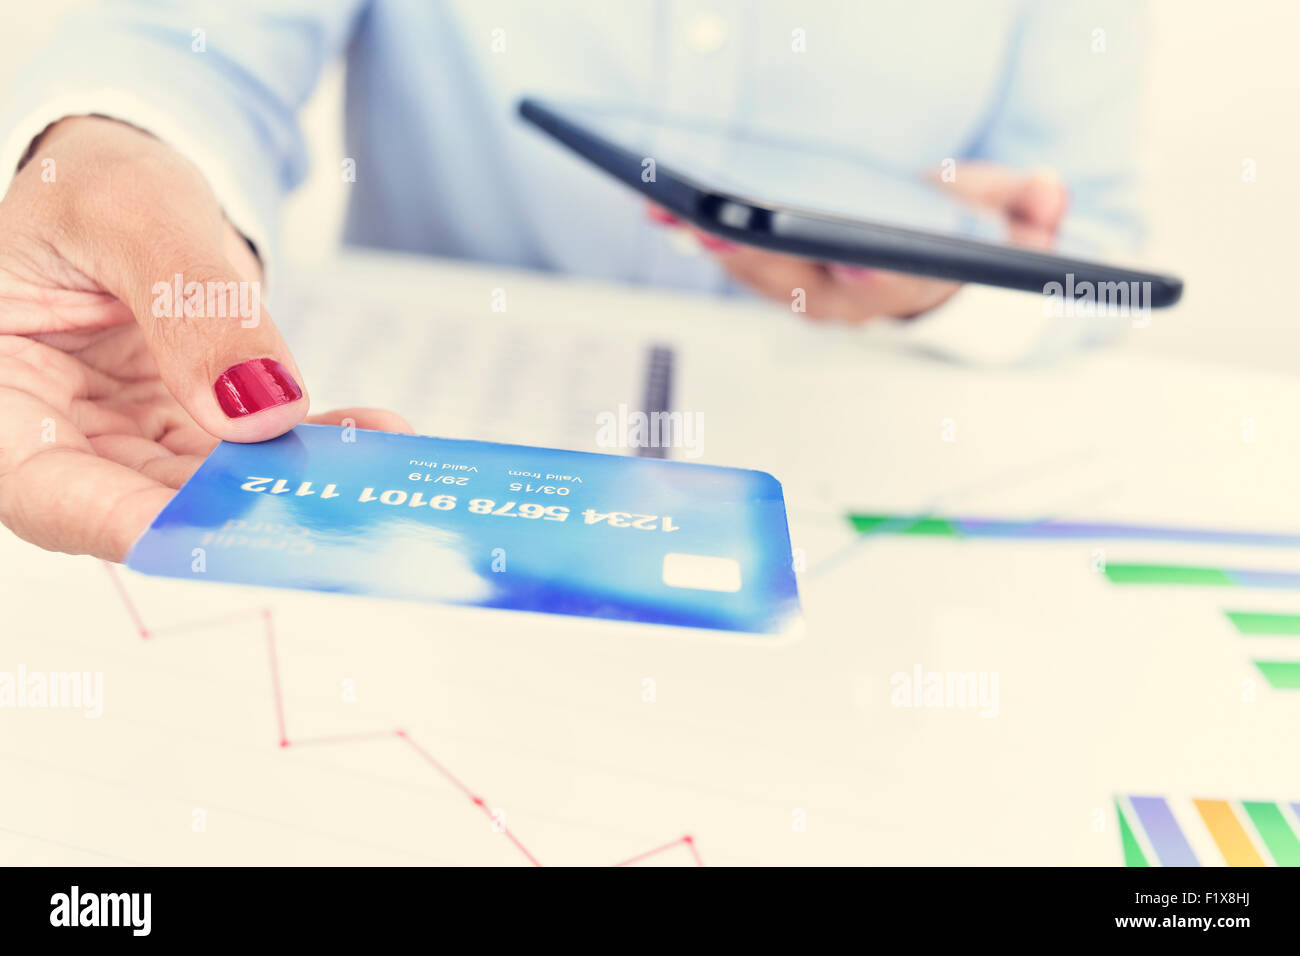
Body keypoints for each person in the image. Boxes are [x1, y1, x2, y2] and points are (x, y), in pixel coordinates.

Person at [0, 0, 1145, 561]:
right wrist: (114, 151)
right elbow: (192, 44)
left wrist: (943, 281)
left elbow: (1094, 239)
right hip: (420, 487)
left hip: (856, 491)